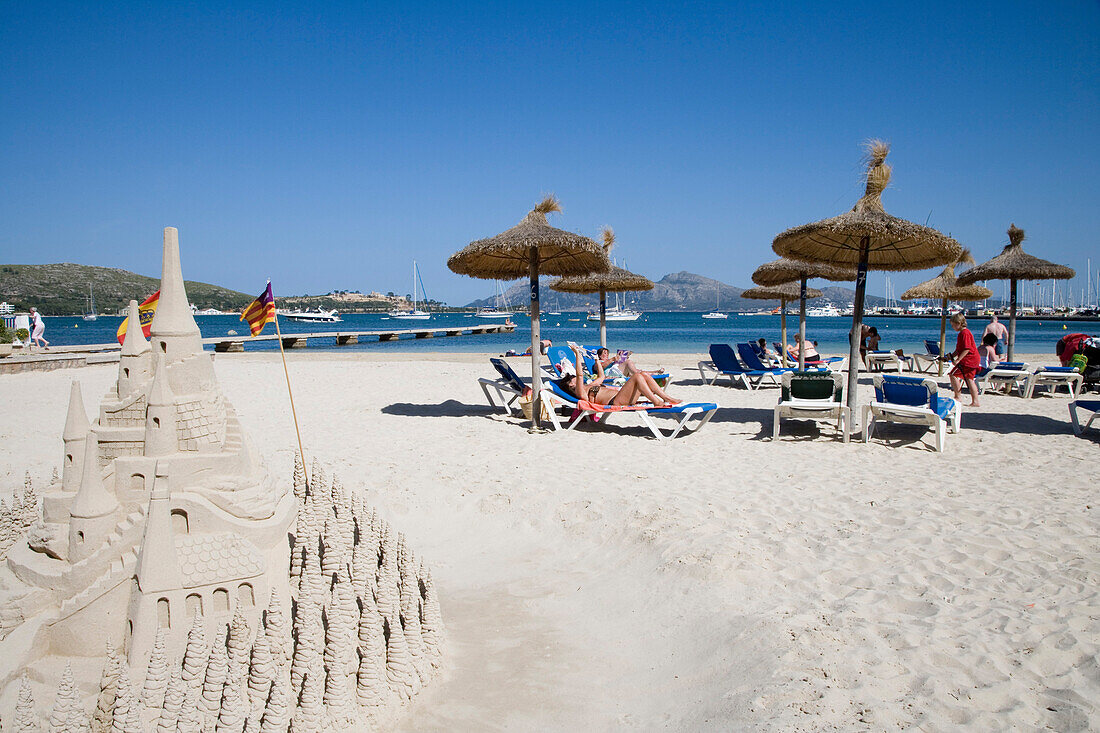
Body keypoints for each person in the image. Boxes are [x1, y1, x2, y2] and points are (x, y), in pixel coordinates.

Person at [555, 344, 680, 407]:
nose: (576, 377)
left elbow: (601, 377)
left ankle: (666, 398)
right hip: (616, 401)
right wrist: (577, 355)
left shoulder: (588, 386)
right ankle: (656, 401)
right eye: (573, 378)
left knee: (642, 374)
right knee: (636, 377)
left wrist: (597, 361)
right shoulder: (580, 392)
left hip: (625, 397)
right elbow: (580, 374)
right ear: (571, 383)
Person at [945, 313, 981, 407]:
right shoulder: (963, 333)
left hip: (969, 360)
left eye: (953, 325)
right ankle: (975, 401)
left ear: (958, 323)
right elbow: (959, 349)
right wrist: (951, 356)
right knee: (969, 379)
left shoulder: (964, 333)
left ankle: (958, 396)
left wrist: (958, 360)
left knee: (953, 375)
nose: (952, 327)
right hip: (973, 359)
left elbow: (966, 348)